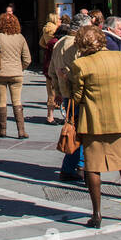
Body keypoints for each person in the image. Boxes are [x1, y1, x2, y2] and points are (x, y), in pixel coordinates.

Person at [69, 24, 121, 229]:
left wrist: (66, 81)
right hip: (119, 117)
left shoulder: (81, 65)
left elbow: (77, 96)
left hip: (94, 120)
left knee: (93, 166)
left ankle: (97, 214)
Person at [49, 13, 91, 178]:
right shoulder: (76, 45)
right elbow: (79, 71)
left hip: (66, 94)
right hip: (77, 94)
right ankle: (76, 166)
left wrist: (58, 92)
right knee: (80, 131)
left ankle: (71, 167)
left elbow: (52, 71)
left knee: (74, 128)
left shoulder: (59, 43)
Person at [0, 11, 31, 139]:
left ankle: (2, 130)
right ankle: (21, 131)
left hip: (0, 73)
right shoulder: (20, 37)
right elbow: (27, 59)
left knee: (1, 101)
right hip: (16, 74)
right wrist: (20, 68)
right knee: (17, 101)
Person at [39, 12, 62, 124]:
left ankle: (50, 114)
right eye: (59, 19)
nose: (60, 21)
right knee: (55, 90)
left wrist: (47, 47)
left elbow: (41, 43)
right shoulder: (55, 31)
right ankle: (50, 116)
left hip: (48, 62)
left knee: (50, 90)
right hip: (55, 62)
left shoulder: (45, 29)